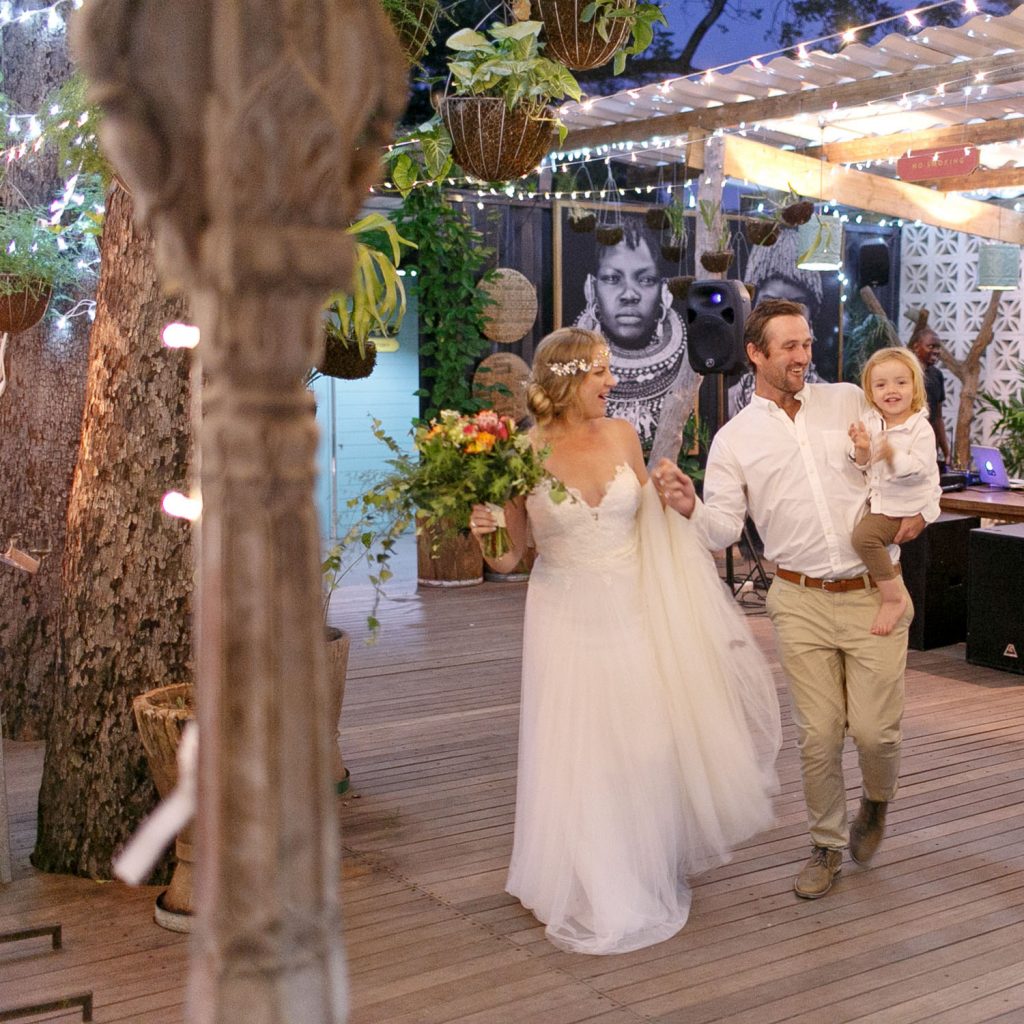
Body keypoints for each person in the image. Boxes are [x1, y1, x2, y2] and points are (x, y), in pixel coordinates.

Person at [469, 326, 780, 955]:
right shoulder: (520, 454)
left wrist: (672, 498)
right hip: (562, 610)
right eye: (601, 372)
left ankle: (641, 861)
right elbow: (510, 558)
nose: (613, 382)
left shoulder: (621, 435)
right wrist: (487, 531)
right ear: (567, 379)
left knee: (639, 739)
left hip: (630, 606)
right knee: (577, 742)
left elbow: (648, 524)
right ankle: (584, 874)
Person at [659, 300, 933, 900]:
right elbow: (722, 529)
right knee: (818, 734)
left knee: (876, 734)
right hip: (798, 600)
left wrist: (920, 512)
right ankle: (826, 844)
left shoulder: (849, 401)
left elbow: (908, 451)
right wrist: (689, 507)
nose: (803, 356)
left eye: (806, 344)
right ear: (755, 353)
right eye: (789, 346)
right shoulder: (734, 441)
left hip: (872, 594)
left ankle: (876, 802)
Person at [849, 348, 942, 636]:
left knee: (864, 538)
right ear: (870, 391)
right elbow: (861, 464)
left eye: (900, 382)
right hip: (879, 502)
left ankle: (893, 598)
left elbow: (920, 470)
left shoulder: (920, 429)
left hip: (901, 507)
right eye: (881, 384)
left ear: (914, 387)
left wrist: (893, 456)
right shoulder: (871, 421)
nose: (891, 390)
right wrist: (861, 448)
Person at [574, 222, 688, 444]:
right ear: (591, 287)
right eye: (612, 279)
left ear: (664, 290)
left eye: (645, 280)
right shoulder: (570, 366)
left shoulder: (689, 365)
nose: (629, 295)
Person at [907, 322, 952, 470]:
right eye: (931, 346)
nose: (936, 351)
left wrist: (946, 451)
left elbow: (938, 417)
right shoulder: (906, 373)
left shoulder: (937, 375)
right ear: (916, 347)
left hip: (930, 445)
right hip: (909, 444)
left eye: (938, 347)